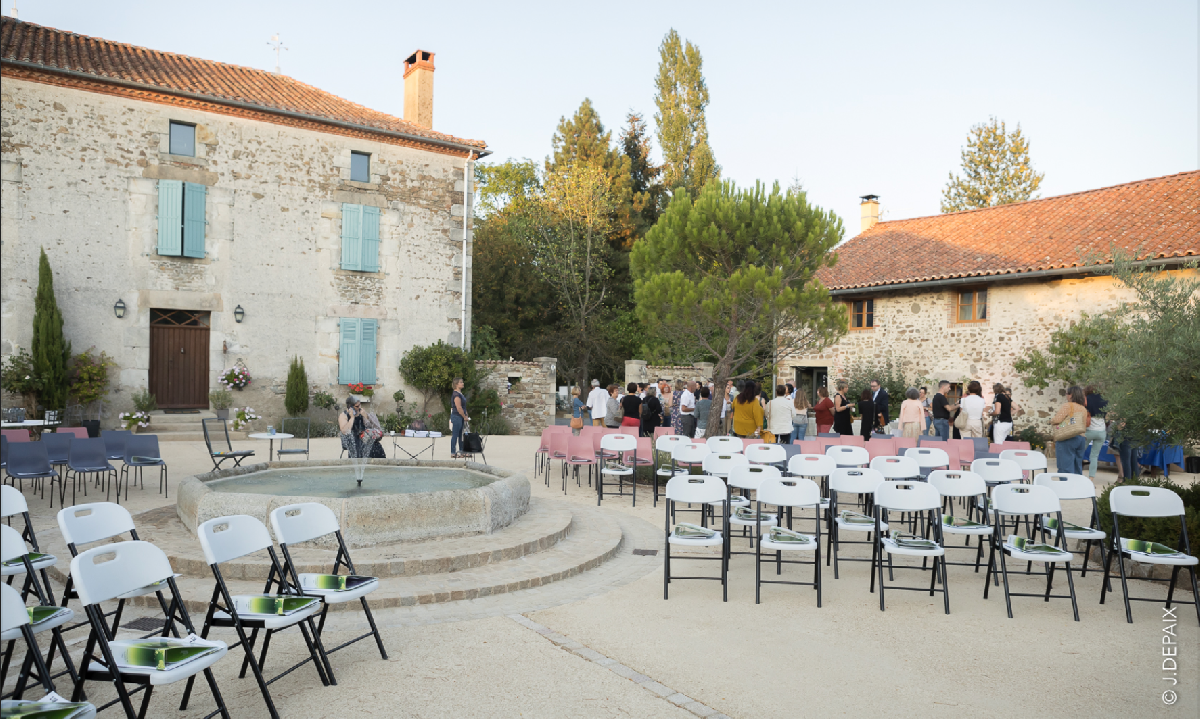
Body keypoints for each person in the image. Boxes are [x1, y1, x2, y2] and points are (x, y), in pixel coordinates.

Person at [1051, 385, 1090, 475]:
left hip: (1067, 437)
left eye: (1067, 393)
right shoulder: (1083, 408)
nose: (1066, 395)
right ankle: (1076, 488)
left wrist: (1051, 421)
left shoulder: (1068, 406)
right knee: (1077, 467)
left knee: (1065, 468)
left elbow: (1057, 420)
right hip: (1081, 438)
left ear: (1071, 395)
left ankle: (1066, 488)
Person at [1083, 386, 1109, 480]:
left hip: (1089, 429)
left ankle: (1077, 476)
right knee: (1094, 456)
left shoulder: (1086, 399)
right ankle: (1091, 479)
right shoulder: (1105, 400)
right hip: (1101, 430)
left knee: (1079, 453)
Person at [449, 377, 470, 458]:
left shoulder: (460, 394)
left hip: (461, 416)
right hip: (457, 416)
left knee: (461, 435)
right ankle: (453, 452)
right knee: (455, 434)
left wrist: (466, 415)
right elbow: (459, 407)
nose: (463, 383)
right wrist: (464, 416)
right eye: (461, 382)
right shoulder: (456, 395)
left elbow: (464, 407)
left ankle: (462, 451)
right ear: (456, 384)